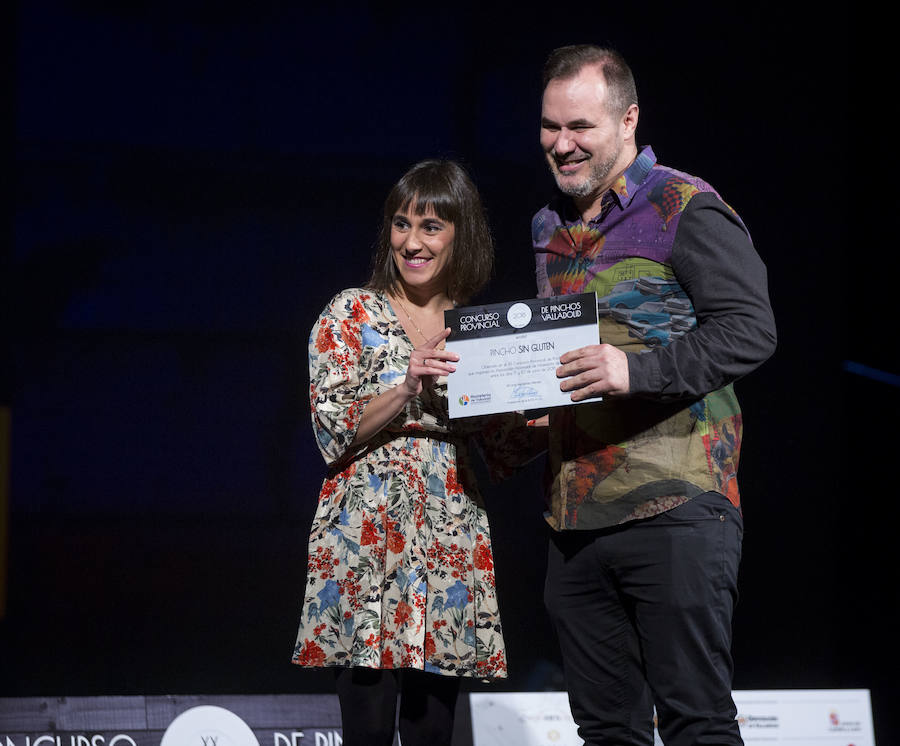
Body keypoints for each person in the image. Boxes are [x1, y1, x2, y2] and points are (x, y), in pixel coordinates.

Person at [532, 45, 777, 745]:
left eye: (580, 125)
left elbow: (752, 331)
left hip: (677, 504)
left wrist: (633, 373)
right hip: (574, 520)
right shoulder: (548, 227)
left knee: (695, 724)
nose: (562, 143)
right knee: (608, 731)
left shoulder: (685, 206)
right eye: (550, 126)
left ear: (628, 118)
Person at [292, 159, 531, 746]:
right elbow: (333, 428)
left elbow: (501, 446)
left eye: (430, 227)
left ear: (460, 234)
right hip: (366, 520)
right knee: (368, 713)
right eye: (402, 225)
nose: (412, 242)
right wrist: (405, 386)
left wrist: (555, 410)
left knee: (433, 719)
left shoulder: (476, 329)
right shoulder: (350, 312)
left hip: (449, 521)